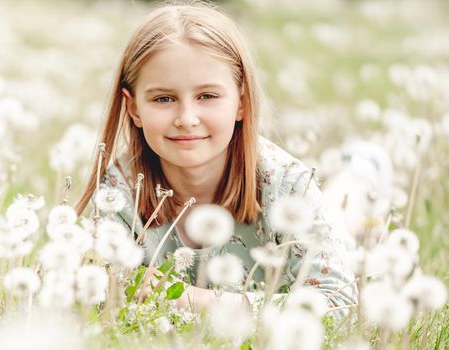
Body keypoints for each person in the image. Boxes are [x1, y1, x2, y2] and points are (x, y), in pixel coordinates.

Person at [75, 2, 356, 318]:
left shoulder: (286, 183)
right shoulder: (120, 194)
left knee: (349, 213)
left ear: (241, 101)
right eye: (163, 99)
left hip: (325, 213)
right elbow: (91, 290)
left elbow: (337, 302)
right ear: (134, 108)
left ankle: (357, 173)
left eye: (207, 96)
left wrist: (195, 300)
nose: (187, 118)